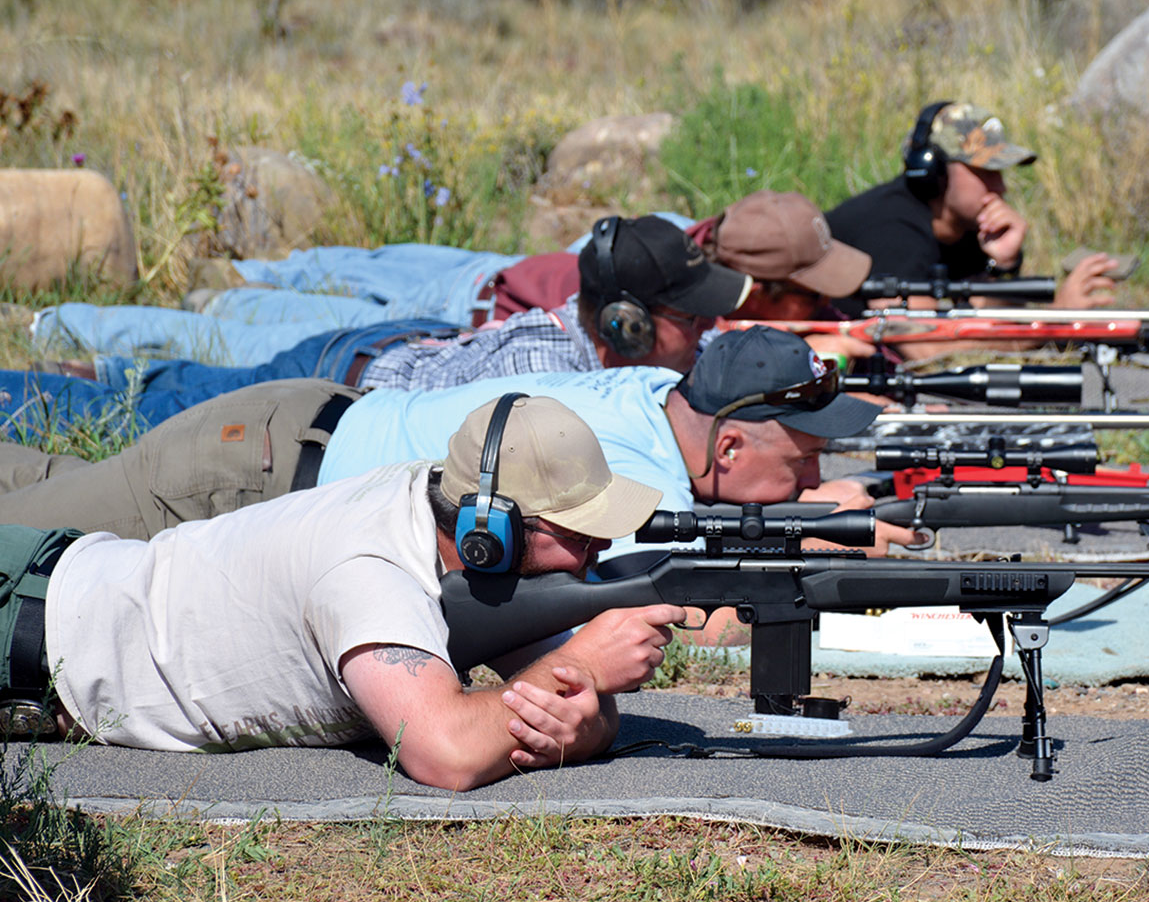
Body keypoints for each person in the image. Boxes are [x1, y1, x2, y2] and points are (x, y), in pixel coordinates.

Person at [0, 328, 919, 642]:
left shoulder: (662, 400)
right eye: (802, 458)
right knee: (24, 548)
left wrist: (802, 512)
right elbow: (675, 605)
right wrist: (810, 535)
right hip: (253, 471)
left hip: (293, 439)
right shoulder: (626, 465)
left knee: (47, 496)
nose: (816, 473)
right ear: (727, 451)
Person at [0, 395, 688, 789]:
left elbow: (556, 698)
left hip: (49, 612)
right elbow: (444, 751)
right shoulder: (369, 567)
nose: (599, 550)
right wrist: (591, 670)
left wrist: (585, 719)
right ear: (491, 531)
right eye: (578, 533)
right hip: (21, 625)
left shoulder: (463, 534)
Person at [0, 215, 749, 438]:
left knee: (181, 384)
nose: (709, 326)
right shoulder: (544, 386)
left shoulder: (607, 354)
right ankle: (30, 385)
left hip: (388, 353)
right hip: (338, 383)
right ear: (625, 325)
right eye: (694, 316)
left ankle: (83, 371)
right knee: (158, 414)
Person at [825, 102, 1121, 358]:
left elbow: (980, 320)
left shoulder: (965, 228)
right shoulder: (891, 230)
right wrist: (1053, 321)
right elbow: (927, 349)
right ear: (934, 172)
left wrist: (1000, 264)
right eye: (985, 171)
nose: (1000, 187)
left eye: (1000, 172)